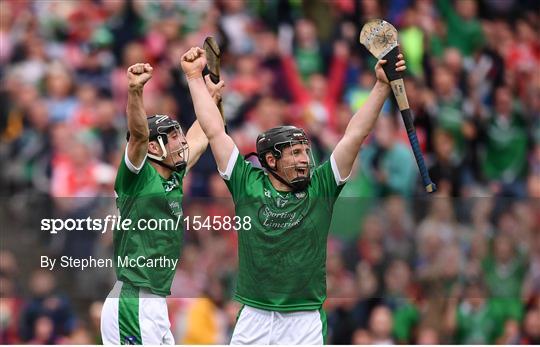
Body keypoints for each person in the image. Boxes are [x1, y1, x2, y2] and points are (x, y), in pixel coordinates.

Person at [180, 46, 406, 344]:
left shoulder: (321, 186)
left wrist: (380, 86)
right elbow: (214, 130)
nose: (304, 159)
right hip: (254, 316)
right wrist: (195, 78)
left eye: (305, 152)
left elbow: (354, 135)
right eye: (295, 153)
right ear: (271, 161)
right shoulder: (246, 182)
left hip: (305, 319)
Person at [100, 61, 223, 345]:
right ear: (154, 148)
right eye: (173, 137)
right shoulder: (136, 178)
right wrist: (135, 91)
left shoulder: (173, 177)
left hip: (155, 302)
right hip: (133, 301)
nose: (181, 142)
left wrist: (210, 97)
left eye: (179, 136)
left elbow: (201, 136)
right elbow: (139, 135)